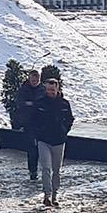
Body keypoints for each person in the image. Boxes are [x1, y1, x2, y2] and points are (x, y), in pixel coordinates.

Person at [32, 77, 75, 205]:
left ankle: (55, 194)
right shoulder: (40, 103)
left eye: (53, 90)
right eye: (49, 89)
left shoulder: (64, 104)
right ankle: (47, 194)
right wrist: (37, 133)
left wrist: (64, 130)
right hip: (43, 140)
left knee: (56, 169)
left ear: (57, 89)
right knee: (46, 168)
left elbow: (69, 119)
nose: (50, 92)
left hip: (59, 140)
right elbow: (32, 120)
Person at [14, 68, 44, 183]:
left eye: (37, 80)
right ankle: (33, 171)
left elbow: (42, 104)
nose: (35, 81)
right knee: (32, 149)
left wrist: (31, 103)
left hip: (42, 124)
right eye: (33, 79)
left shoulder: (43, 89)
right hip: (29, 123)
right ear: (29, 79)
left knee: (43, 148)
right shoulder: (24, 90)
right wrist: (32, 104)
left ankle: (45, 169)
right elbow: (20, 103)